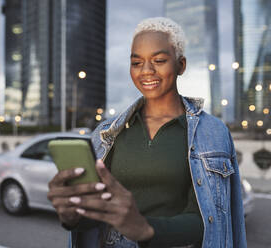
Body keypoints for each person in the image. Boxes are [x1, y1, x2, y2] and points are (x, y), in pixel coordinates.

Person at [47, 17, 247, 248]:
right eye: (136, 62)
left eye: (159, 60)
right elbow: (93, 217)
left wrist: (145, 228)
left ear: (181, 65)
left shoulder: (212, 132)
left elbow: (212, 221)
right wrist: (72, 216)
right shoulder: (106, 133)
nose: (147, 71)